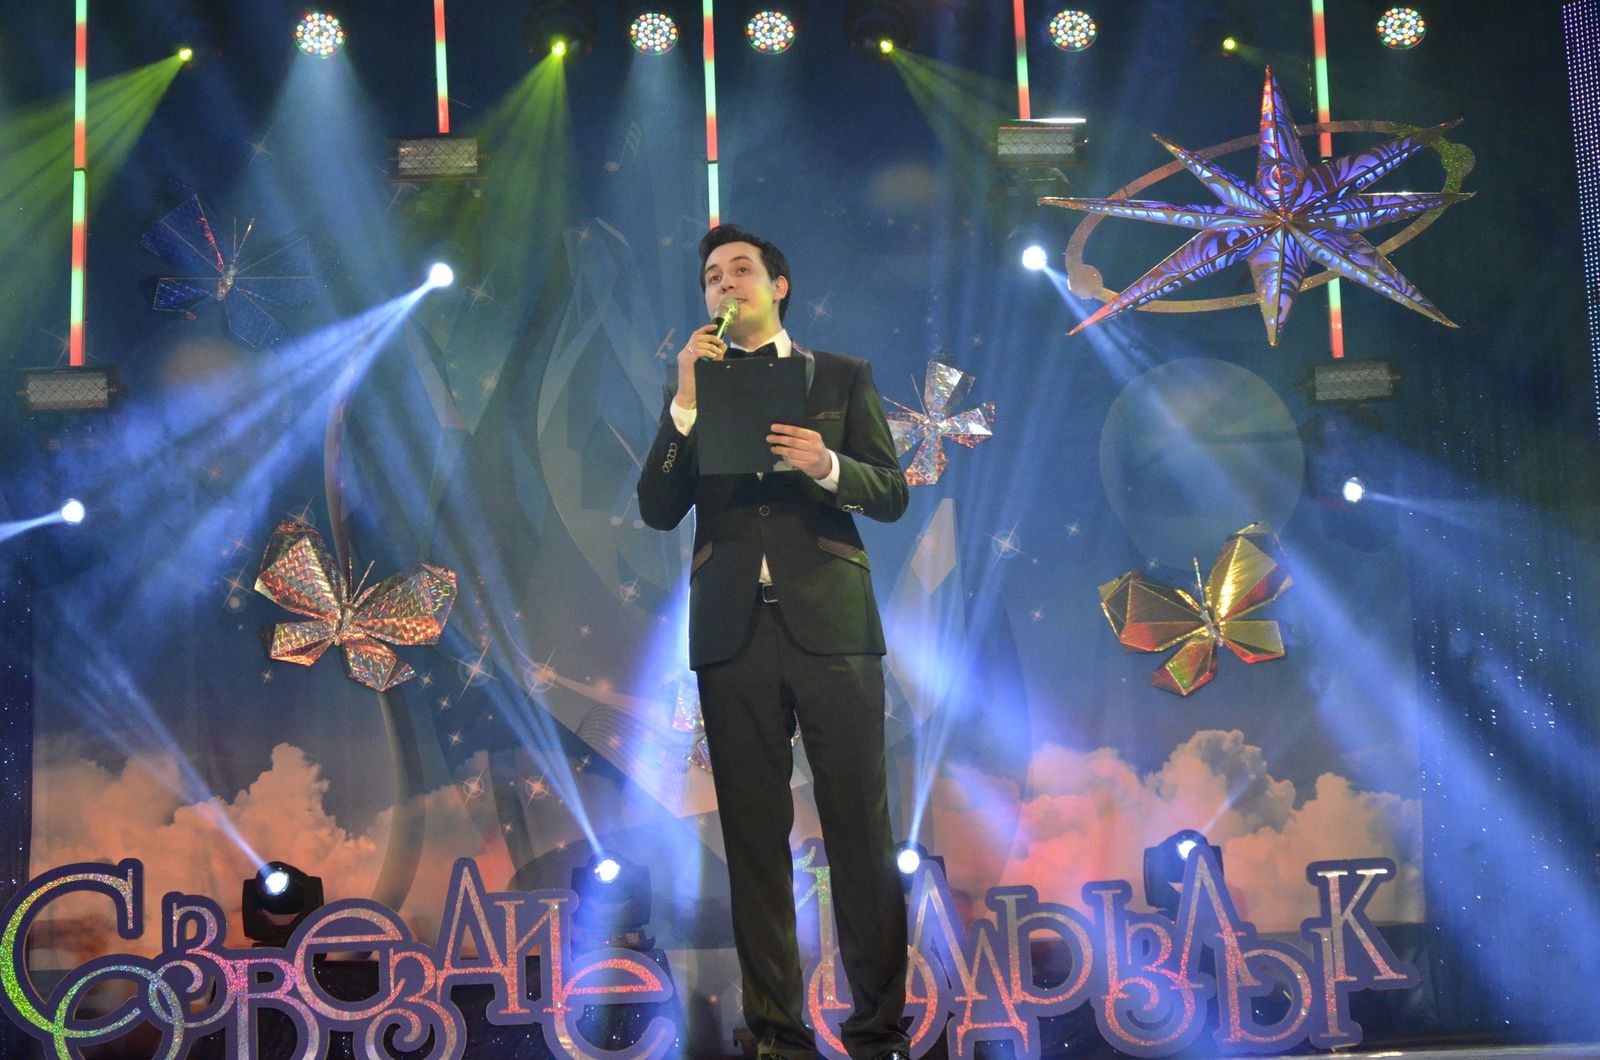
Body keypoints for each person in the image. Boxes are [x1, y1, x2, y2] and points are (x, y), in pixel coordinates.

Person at [636, 224, 911, 1060]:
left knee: (859, 829)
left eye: (741, 270)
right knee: (754, 842)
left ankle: (878, 1033)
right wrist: (686, 402)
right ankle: (776, 1038)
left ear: (778, 286)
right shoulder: (694, 390)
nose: (725, 284)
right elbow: (656, 507)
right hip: (733, 634)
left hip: (832, 626)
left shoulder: (841, 375)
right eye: (712, 277)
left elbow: (890, 493)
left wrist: (826, 465)